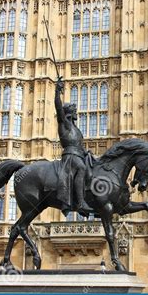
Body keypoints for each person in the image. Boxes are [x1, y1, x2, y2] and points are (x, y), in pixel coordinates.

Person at [54, 77, 94, 217]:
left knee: (93, 171)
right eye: (73, 109)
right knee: (81, 168)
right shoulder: (64, 123)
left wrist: (86, 152)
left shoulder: (75, 129)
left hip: (78, 155)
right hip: (70, 157)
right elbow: (58, 108)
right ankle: (81, 202)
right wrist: (57, 91)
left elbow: (79, 145)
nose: (76, 111)